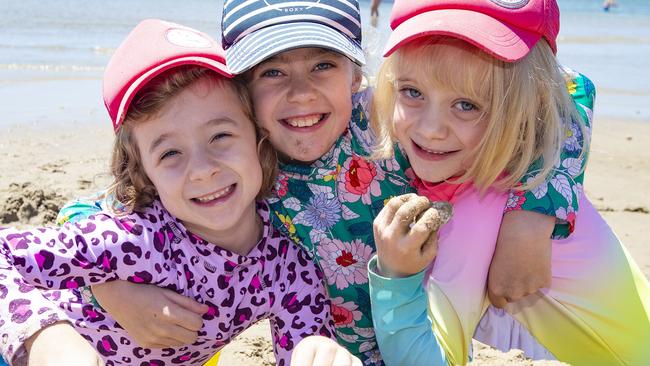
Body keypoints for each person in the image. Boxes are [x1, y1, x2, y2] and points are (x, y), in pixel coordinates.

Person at [47, 0, 596, 364]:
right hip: (321, 347)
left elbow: (568, 93)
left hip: (424, 328)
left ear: (358, 74)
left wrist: (531, 217)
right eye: (273, 72)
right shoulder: (242, 162)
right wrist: (111, 288)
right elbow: (93, 215)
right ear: (241, 88)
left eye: (323, 66)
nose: (302, 93)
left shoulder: (390, 121)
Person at [0, 18, 365, 366]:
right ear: (142, 173)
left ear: (259, 138)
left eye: (220, 136)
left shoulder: (286, 267)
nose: (203, 169)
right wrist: (48, 339)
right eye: (170, 153)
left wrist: (318, 349)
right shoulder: (133, 239)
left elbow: (304, 342)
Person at [367, 0, 650, 365]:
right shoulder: (505, 171)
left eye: (467, 105)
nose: (430, 130)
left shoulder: (481, 206)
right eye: (412, 92)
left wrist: (395, 277)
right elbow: (575, 85)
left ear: (529, 107)